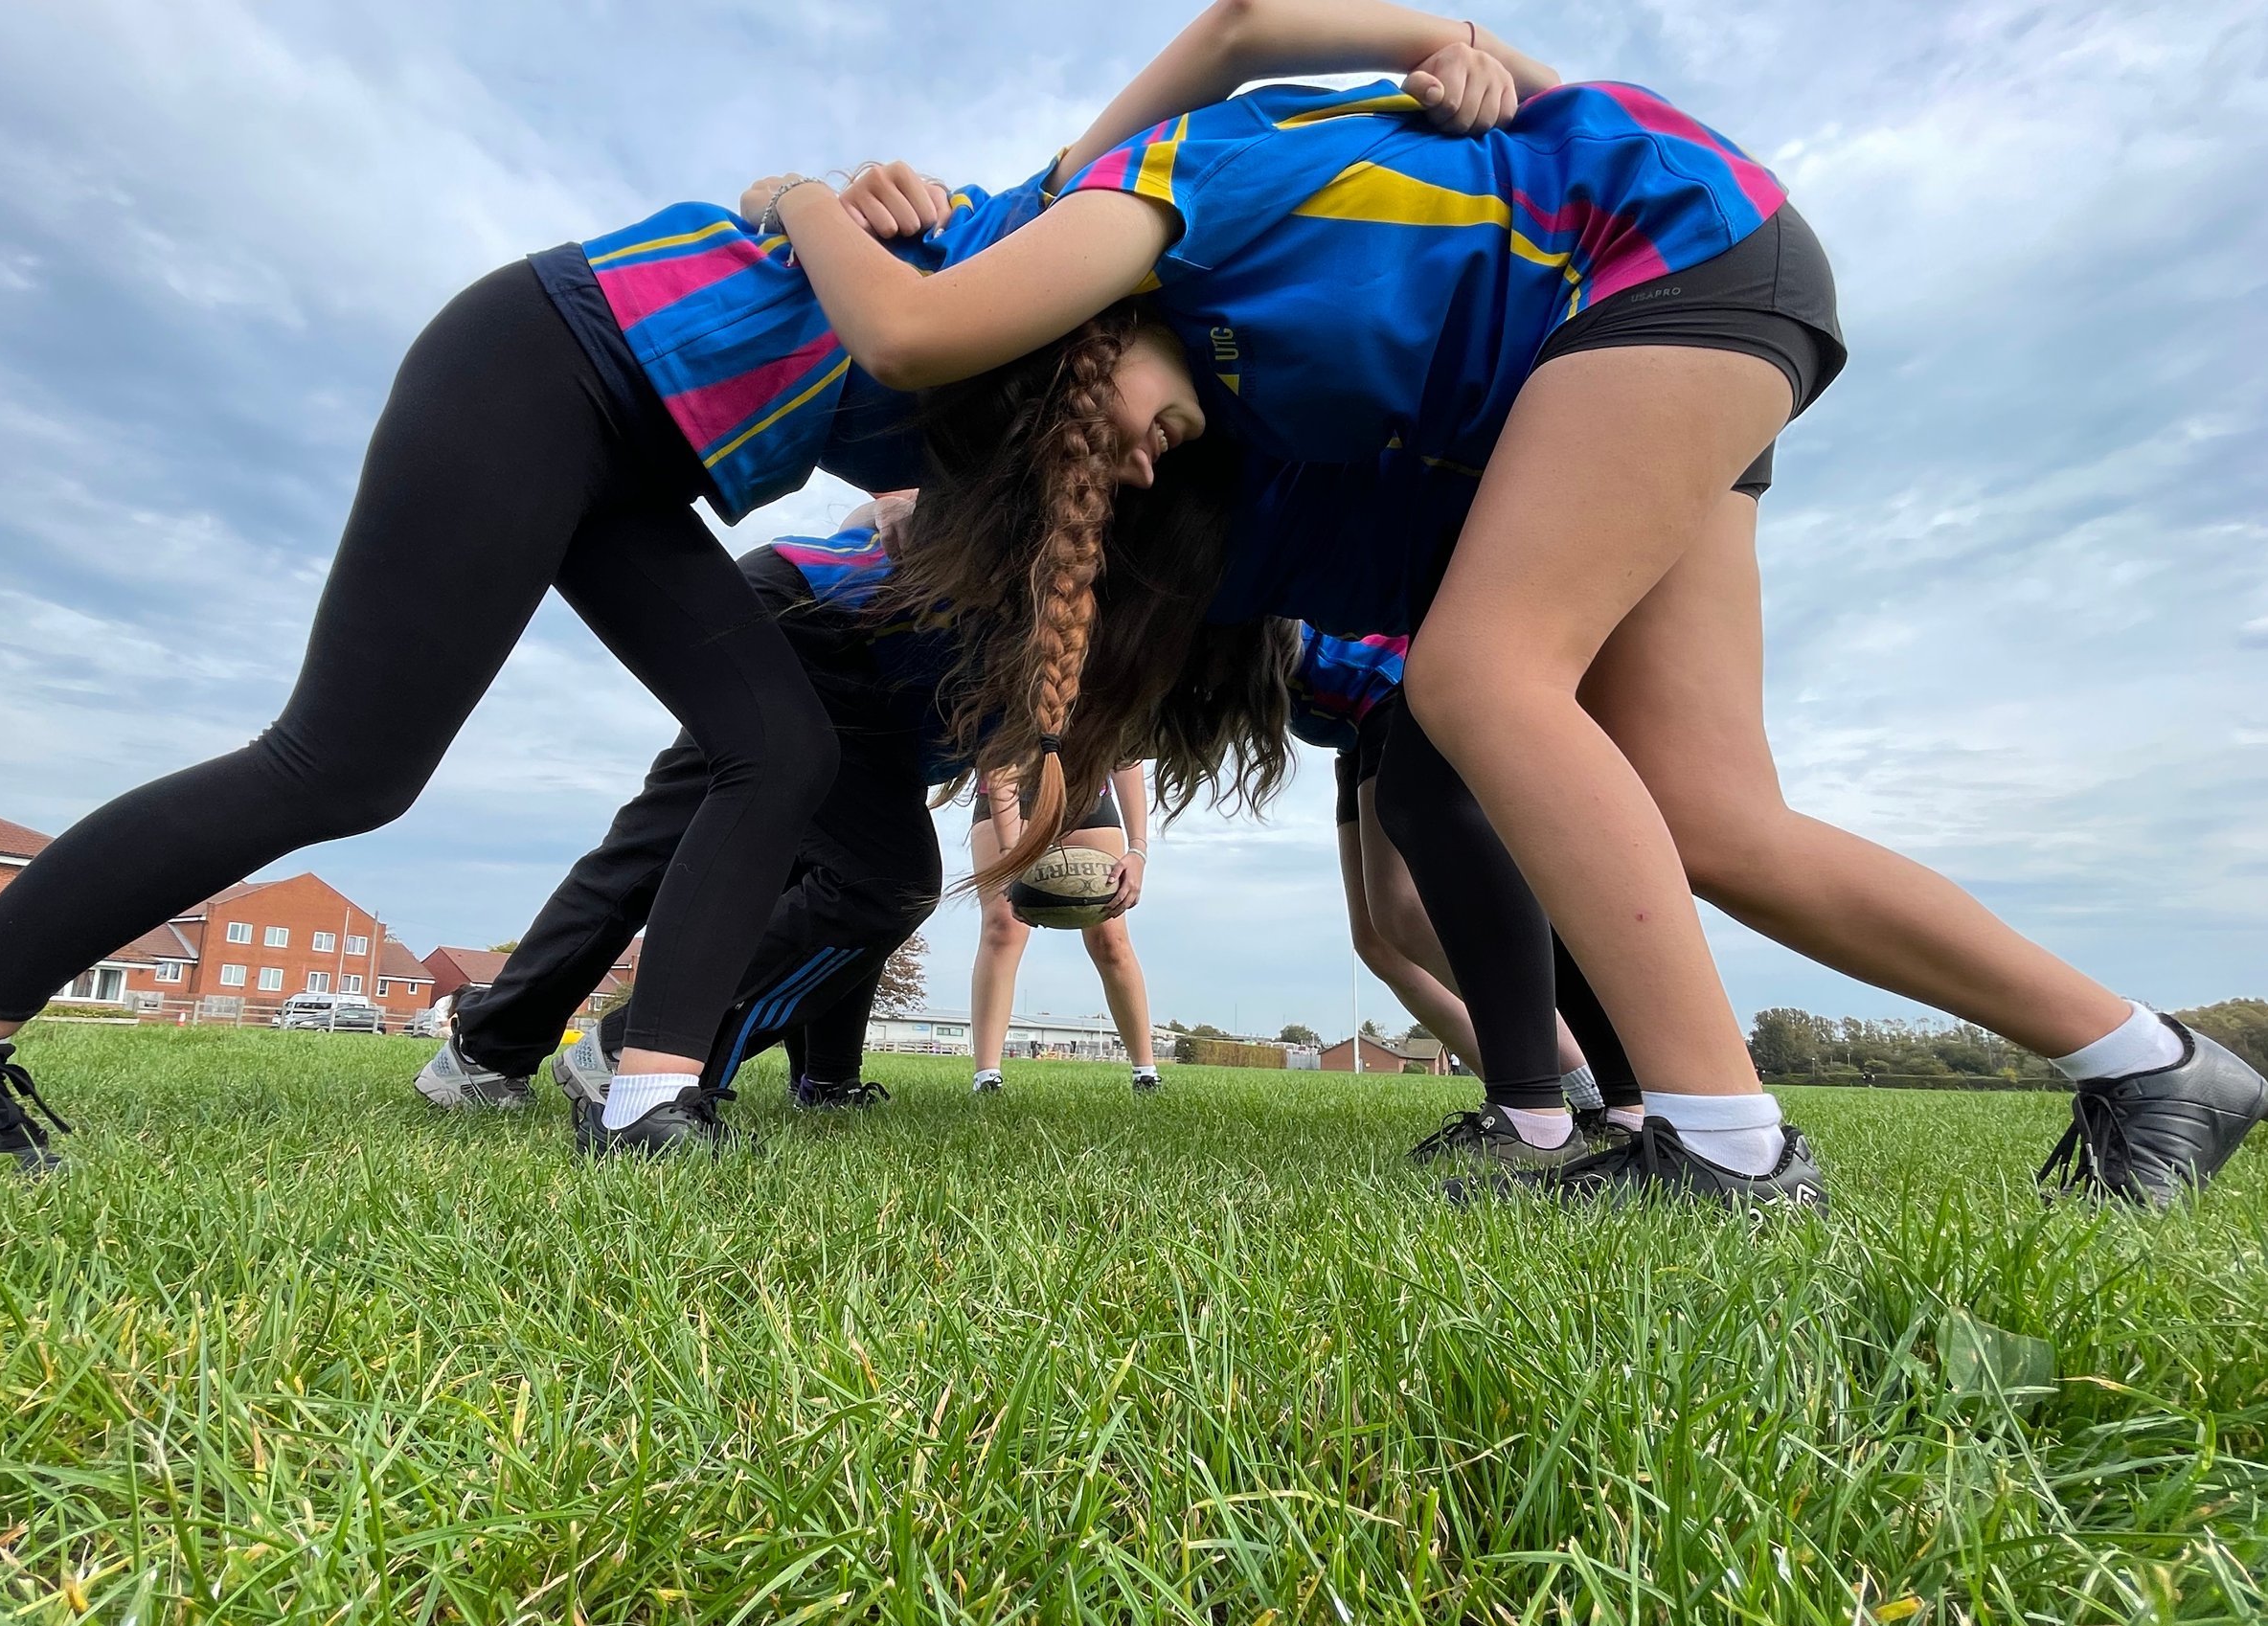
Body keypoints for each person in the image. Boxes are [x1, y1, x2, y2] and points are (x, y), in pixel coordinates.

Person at [764, 0, 2268, 1205]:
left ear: (1081, 328)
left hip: (1663, 268)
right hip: (1650, 324)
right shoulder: (1242, 380)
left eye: (1083, 422)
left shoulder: (1110, 202)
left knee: (1480, 679)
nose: (1128, 464)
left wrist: (800, 193)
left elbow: (1204, 55)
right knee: (1712, 816)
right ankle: (2154, 1062)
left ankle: (1726, 1148)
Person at [0, 161, 1076, 1171]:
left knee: (781, 746)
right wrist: (810, 192)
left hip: (647, 466)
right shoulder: (1063, 271)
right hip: (546, 361)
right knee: (341, 767)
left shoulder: (1111, 432)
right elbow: (803, 214)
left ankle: (649, 1102)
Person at [417, 494, 1293, 1147]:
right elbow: (937, 527)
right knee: (885, 878)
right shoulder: (1095, 596)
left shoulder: (1108, 608)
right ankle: (634, 1051)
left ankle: (486, 1054)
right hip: (824, 638)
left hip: (788, 606)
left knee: (654, 847)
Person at [1291, 626, 1644, 1165]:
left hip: (1394, 676)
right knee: (1387, 924)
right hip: (1357, 720)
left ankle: (1575, 1104)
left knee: (1410, 903)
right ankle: (1573, 1103)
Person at [965, 763, 1160, 1095]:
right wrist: (1011, 854)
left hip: (1086, 798)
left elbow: (1126, 759)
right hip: (1011, 794)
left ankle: (1146, 1073)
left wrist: (1138, 850)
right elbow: (1001, 763)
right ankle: (987, 1077)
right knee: (1003, 926)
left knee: (1110, 936)